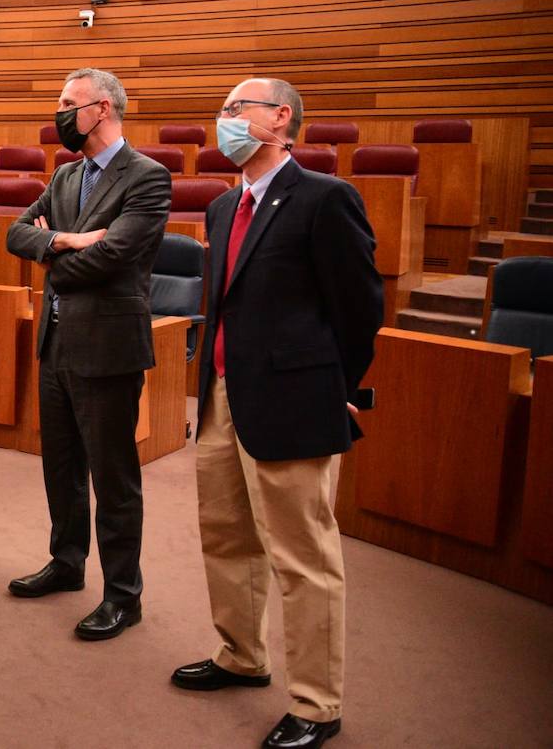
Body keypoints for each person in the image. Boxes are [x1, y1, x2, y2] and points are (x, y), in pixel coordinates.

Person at [170, 78, 382, 749]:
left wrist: (335, 386)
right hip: (223, 395)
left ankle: (318, 704)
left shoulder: (324, 198)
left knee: (303, 556)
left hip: (294, 399)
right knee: (226, 534)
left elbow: (359, 307)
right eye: (223, 111)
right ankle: (242, 655)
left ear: (281, 118)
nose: (224, 120)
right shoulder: (223, 207)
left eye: (236, 108)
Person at [5, 67, 171, 641]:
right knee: (63, 468)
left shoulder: (148, 177)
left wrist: (52, 257)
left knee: (114, 477)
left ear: (101, 109)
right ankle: (68, 562)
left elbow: (115, 257)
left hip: (108, 349)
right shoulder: (66, 173)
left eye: (67, 104)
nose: (59, 114)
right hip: (56, 346)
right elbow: (16, 235)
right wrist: (69, 240)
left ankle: (124, 595)